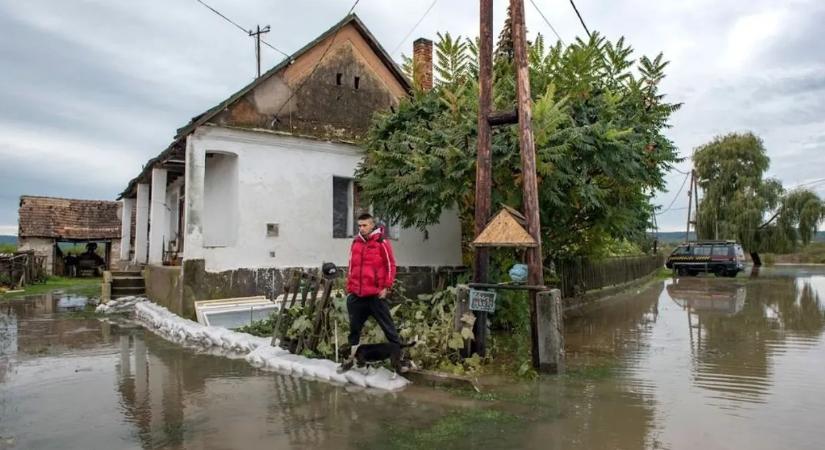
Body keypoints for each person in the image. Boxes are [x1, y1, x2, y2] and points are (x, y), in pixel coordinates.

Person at [340, 213, 400, 370]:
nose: (361, 228)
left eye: (365, 225)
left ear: (372, 225)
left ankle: (400, 360)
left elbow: (390, 265)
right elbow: (351, 266)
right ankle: (351, 360)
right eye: (359, 225)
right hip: (357, 296)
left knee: (389, 329)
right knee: (354, 331)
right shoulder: (356, 242)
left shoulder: (381, 242)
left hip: (375, 296)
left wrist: (386, 287)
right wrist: (350, 288)